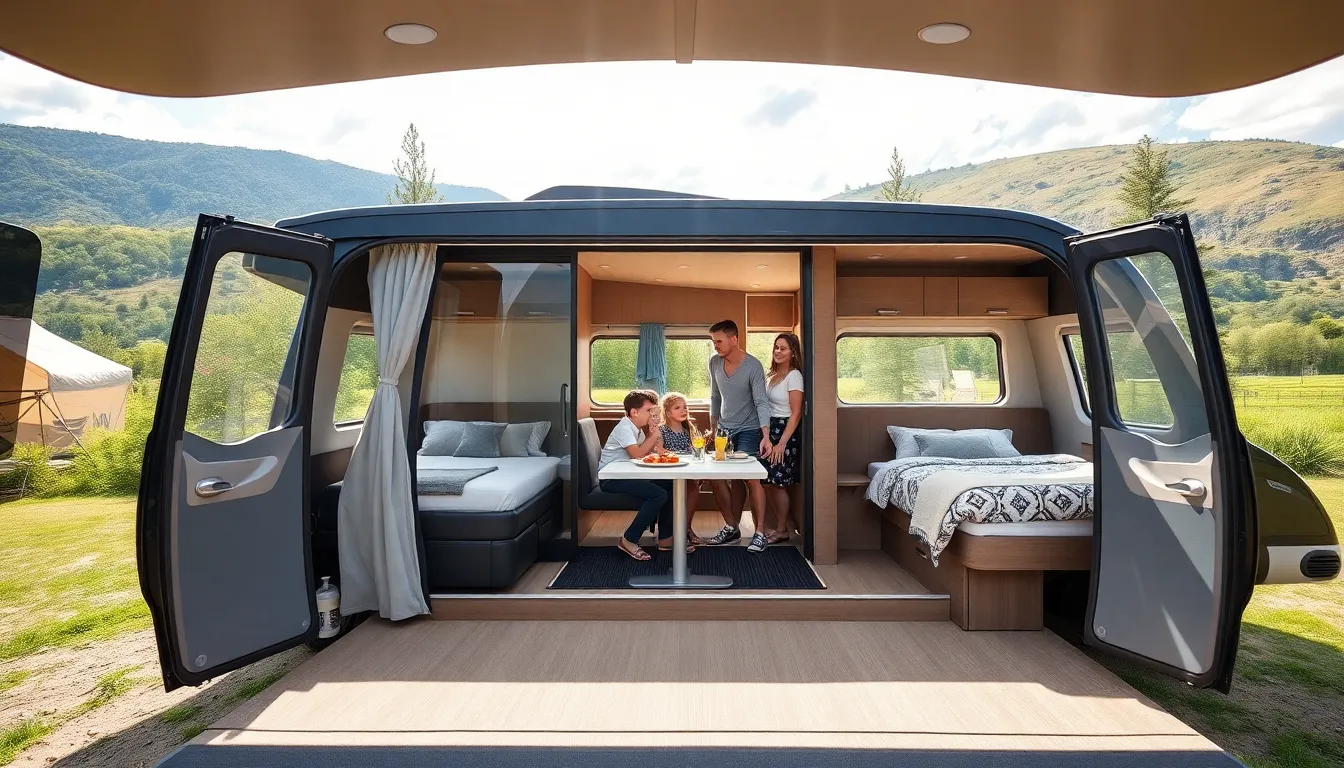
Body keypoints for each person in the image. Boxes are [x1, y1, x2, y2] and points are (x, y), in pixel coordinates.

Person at [597, 389, 694, 561]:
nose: (652, 414)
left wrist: (654, 438)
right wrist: (655, 434)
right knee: (658, 494)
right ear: (634, 412)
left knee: (670, 485)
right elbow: (637, 454)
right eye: (649, 410)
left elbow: (648, 452)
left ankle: (666, 538)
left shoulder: (637, 429)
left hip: (627, 475)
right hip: (612, 479)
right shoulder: (624, 427)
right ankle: (628, 539)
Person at [702, 319, 772, 546]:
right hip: (724, 429)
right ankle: (732, 526)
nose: (715, 346)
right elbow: (715, 396)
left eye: (719, 341)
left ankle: (759, 533)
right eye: (713, 342)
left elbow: (761, 402)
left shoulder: (753, 366)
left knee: (750, 478)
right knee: (718, 478)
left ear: (734, 339)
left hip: (749, 429)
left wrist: (766, 436)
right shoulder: (714, 362)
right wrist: (714, 428)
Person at [748, 332, 804, 553]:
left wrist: (781, 443)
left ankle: (782, 529)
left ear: (793, 353)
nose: (778, 351)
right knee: (766, 481)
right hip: (768, 429)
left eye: (783, 348)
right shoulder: (771, 375)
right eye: (776, 347)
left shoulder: (794, 376)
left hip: (784, 431)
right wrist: (766, 434)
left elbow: (796, 413)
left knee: (777, 481)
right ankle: (779, 527)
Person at [659, 391, 704, 546]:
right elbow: (659, 451)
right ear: (668, 413)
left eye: (685, 407)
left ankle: (686, 528)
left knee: (694, 483)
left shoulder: (688, 430)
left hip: (686, 470)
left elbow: (694, 451)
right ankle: (675, 531)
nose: (683, 410)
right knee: (689, 485)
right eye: (677, 408)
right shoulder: (662, 430)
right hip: (668, 471)